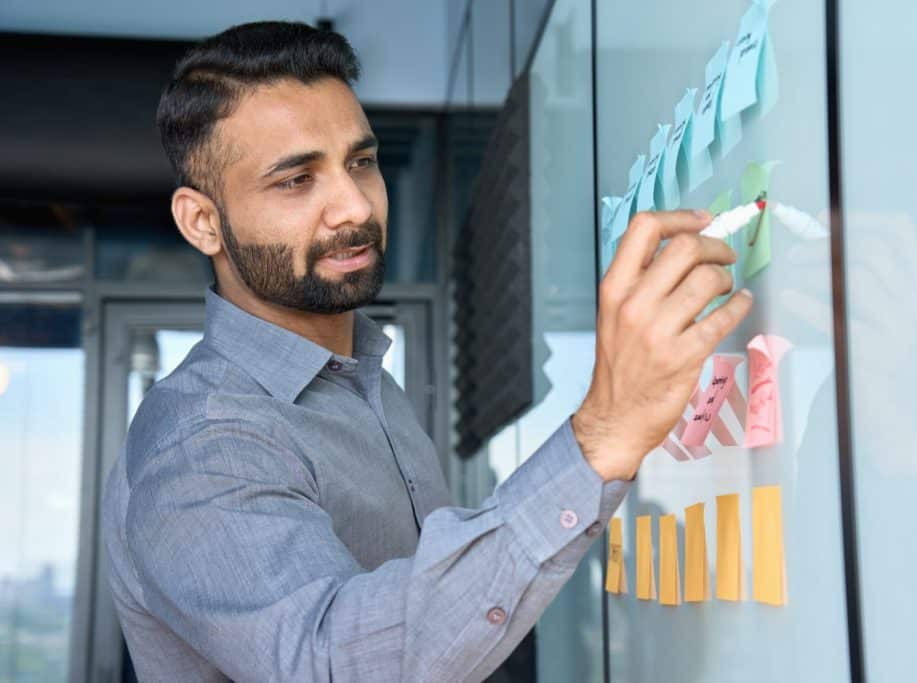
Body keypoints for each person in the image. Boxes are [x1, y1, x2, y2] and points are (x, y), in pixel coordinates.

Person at [101, 20, 752, 682]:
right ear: (201, 220)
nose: (353, 205)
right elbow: (335, 665)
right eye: (296, 180)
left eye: (360, 162)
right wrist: (602, 436)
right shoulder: (201, 438)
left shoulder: (367, 384)